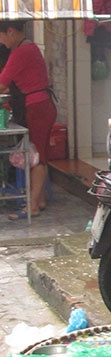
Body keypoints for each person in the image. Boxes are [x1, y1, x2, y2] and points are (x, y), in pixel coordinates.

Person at [0, 20, 57, 219]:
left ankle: (32, 206)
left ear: (10, 31)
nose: (1, 42)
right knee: (39, 154)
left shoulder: (21, 52)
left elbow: (2, 84)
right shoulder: (29, 47)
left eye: (1, 36)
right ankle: (39, 200)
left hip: (37, 108)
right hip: (40, 105)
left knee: (37, 157)